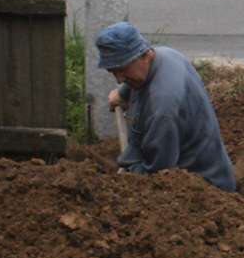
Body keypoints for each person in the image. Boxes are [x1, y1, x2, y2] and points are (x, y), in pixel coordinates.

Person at [96, 21, 236, 192]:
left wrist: (130, 175)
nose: (119, 79)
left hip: (204, 190)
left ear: (145, 55)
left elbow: (158, 177)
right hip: (212, 170)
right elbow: (135, 78)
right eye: (113, 71)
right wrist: (122, 94)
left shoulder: (163, 109)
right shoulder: (165, 54)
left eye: (123, 69)